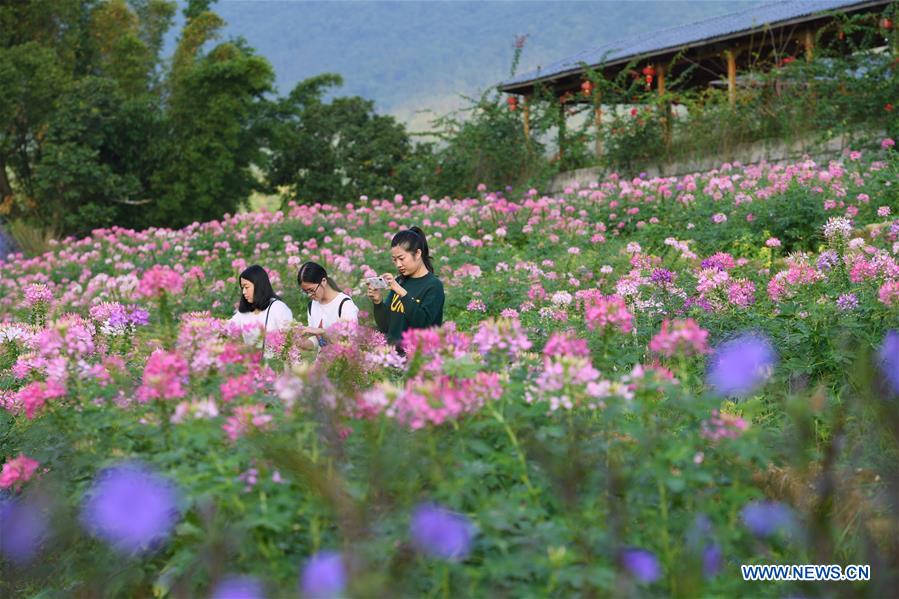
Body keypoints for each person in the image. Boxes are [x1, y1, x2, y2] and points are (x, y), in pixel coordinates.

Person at [367, 226, 444, 351]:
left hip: (417, 359)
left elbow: (423, 324)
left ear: (418, 253)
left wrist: (402, 293)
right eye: (394, 260)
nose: (398, 264)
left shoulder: (433, 285)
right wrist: (378, 302)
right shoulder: (400, 281)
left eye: (401, 259)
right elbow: (385, 327)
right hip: (392, 357)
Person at [296, 261, 359, 350]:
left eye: (311, 290)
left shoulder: (344, 304)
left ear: (323, 281)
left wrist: (323, 332)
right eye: (306, 292)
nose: (309, 295)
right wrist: (301, 343)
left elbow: (349, 342)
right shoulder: (312, 306)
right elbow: (317, 340)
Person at [230, 265, 293, 349]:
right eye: (242, 288)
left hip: (275, 361)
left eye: (246, 287)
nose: (244, 292)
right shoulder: (245, 311)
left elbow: (289, 339)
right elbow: (228, 328)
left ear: (258, 285)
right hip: (252, 360)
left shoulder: (277, 307)